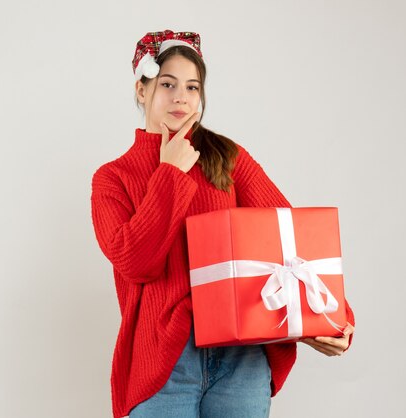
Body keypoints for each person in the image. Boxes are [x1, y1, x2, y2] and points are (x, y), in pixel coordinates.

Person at [90, 30, 356, 418]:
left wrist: (337, 318)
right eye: (168, 84)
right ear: (141, 90)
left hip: (241, 358)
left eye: (192, 87)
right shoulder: (113, 178)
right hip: (164, 363)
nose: (181, 96)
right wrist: (170, 174)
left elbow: (290, 239)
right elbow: (137, 263)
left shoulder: (227, 157)